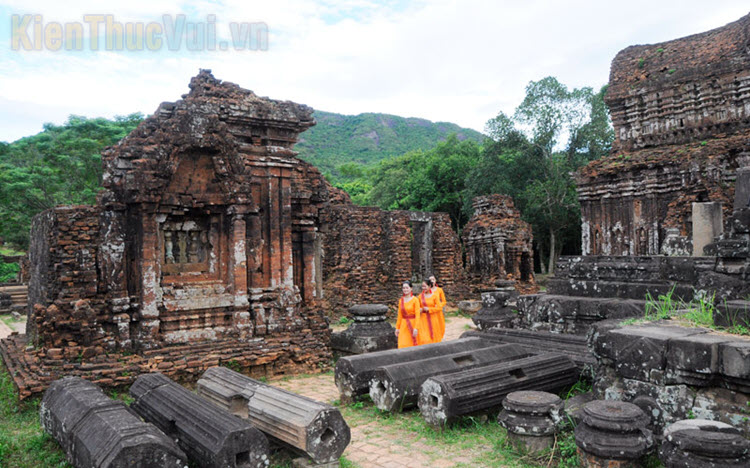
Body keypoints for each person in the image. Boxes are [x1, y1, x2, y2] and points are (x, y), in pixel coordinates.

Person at [395, 280, 421, 348]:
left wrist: (416, 327)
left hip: (413, 323)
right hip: (404, 324)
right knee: (402, 344)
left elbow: (418, 315)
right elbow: (400, 315)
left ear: (411, 288)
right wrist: (397, 328)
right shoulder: (401, 300)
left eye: (407, 288)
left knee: (412, 344)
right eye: (404, 288)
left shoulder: (415, 300)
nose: (405, 289)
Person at [418, 278, 445, 344]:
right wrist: (419, 309)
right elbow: (417, 307)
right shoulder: (420, 296)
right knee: (424, 337)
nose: (423, 288)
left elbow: (439, 308)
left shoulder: (434, 296)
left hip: (433, 318)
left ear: (430, 286)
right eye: (422, 286)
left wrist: (429, 309)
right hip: (423, 319)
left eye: (425, 286)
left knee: (434, 337)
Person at [429, 275, 447, 342]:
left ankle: (439, 337)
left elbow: (444, 301)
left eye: (433, 279)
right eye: (430, 280)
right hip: (430, 311)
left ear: (435, 280)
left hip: (438, 310)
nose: (432, 281)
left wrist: (439, 305)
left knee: (440, 325)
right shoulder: (427, 290)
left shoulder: (439, 290)